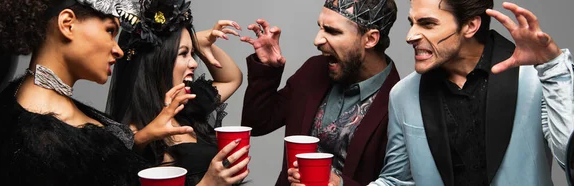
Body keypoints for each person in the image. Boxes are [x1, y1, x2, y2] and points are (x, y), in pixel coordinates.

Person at [0, 0, 248, 185]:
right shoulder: (42, 140)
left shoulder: (28, 97)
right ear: (67, 24)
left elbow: (93, 163)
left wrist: (143, 136)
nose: (117, 49)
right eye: (109, 31)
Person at [365, 1, 574, 185]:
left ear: (470, 26)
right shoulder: (402, 95)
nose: (410, 36)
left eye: (427, 24)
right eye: (412, 23)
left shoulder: (534, 79)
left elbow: (570, 162)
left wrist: (553, 68)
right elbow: (397, 180)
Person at [240, 0, 400, 185]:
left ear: (370, 39)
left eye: (332, 31)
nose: (317, 40)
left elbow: (397, 181)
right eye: (321, 28)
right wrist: (266, 67)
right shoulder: (315, 69)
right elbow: (258, 123)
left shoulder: (398, 102)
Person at [106, 0, 249, 185]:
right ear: (158, 61)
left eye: (193, 53)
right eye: (183, 54)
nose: (194, 63)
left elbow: (231, 78)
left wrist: (196, 41)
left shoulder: (187, 105)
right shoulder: (137, 135)